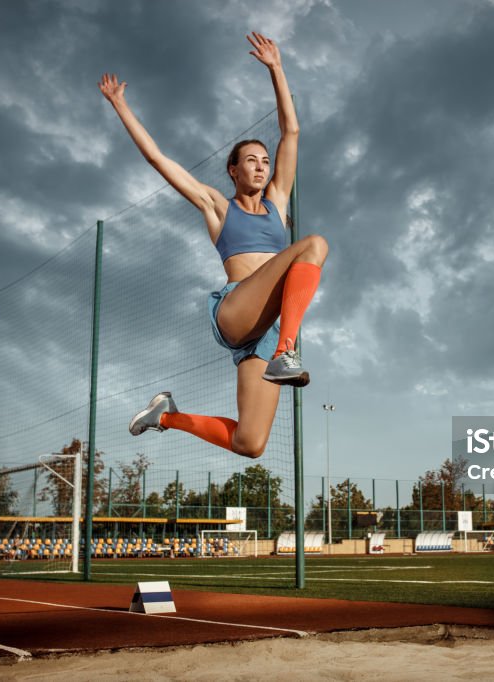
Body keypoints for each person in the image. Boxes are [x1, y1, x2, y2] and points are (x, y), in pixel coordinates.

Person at [99, 32, 326, 459]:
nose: (261, 166)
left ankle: (163, 415)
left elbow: (290, 131)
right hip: (237, 312)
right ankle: (286, 353)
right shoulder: (217, 208)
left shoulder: (277, 202)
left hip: (268, 329)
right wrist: (120, 105)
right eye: (251, 161)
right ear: (233, 170)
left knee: (251, 443)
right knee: (313, 244)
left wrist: (276, 68)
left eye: (265, 161)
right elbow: (157, 160)